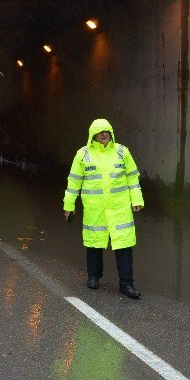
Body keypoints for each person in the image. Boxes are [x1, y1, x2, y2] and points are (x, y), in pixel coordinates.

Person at [63, 118, 144, 299]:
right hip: (95, 208)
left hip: (119, 208)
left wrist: (136, 199)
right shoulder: (83, 155)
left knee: (123, 245)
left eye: (107, 131)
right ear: (93, 135)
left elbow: (132, 177)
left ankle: (126, 284)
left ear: (111, 133)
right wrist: (69, 205)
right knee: (94, 243)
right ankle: (93, 276)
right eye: (100, 132)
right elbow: (74, 181)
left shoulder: (122, 152)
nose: (104, 134)